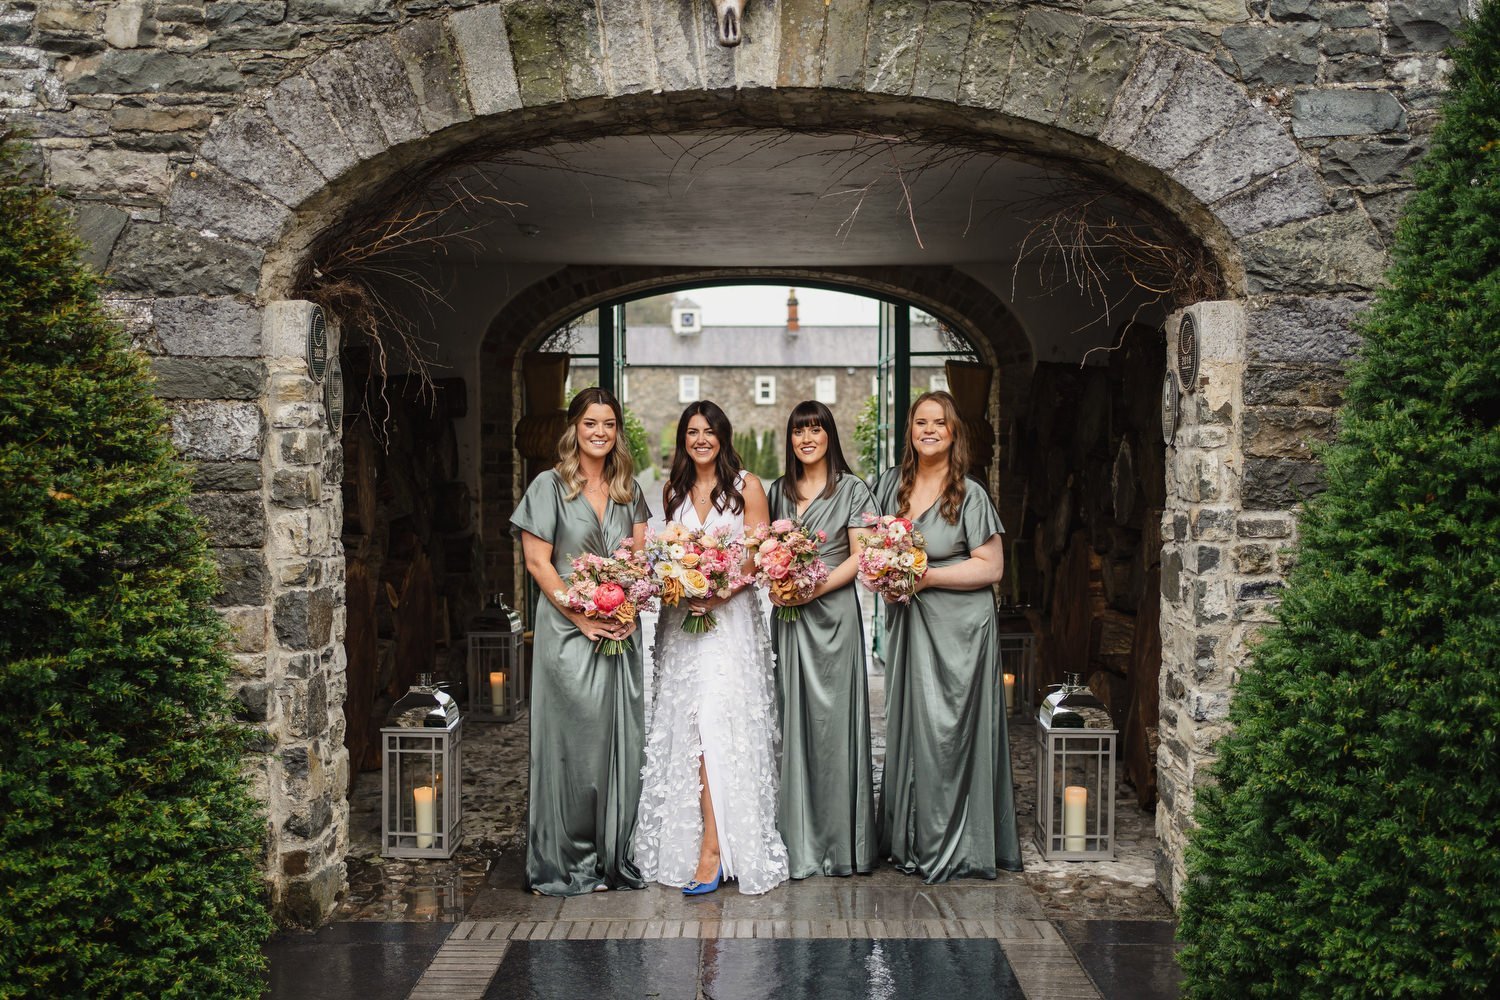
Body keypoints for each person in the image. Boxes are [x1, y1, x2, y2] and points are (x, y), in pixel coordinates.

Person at [635, 400, 789, 896]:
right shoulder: (673, 490)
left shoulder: (748, 486)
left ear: (723, 435)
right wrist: (677, 584)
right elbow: (663, 556)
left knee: (718, 727)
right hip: (683, 625)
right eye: (692, 432)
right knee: (688, 728)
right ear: (683, 439)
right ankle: (696, 842)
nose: (700, 439)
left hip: (728, 626)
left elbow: (758, 557)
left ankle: (715, 848)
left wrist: (717, 591)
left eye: (709, 431)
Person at [873, 390, 1022, 882]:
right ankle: (911, 838)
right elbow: (871, 549)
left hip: (960, 630)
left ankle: (960, 841)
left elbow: (993, 567)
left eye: (939, 422)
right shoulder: (892, 486)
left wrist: (927, 577)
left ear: (953, 432)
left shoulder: (970, 492)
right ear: (910, 431)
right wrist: (885, 576)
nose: (929, 430)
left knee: (950, 734)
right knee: (912, 728)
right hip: (911, 625)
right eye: (920, 422)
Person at [511, 387, 649, 895]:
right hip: (568, 635)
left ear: (617, 432)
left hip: (620, 632)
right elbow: (538, 563)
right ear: (575, 428)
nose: (600, 432)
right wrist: (582, 614)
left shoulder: (628, 489)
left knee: (618, 744)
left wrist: (629, 609)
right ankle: (566, 859)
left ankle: (613, 852)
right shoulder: (548, 486)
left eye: (609, 424)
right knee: (574, 746)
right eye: (591, 423)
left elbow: (639, 560)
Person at [767, 400, 879, 878]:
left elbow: (861, 556)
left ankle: (841, 844)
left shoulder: (853, 489)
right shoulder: (777, 491)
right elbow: (762, 550)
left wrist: (813, 586)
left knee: (835, 729)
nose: (806, 438)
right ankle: (796, 840)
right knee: (791, 724)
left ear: (830, 435)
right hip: (789, 621)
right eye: (798, 431)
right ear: (790, 439)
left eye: (815, 429)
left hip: (834, 619)